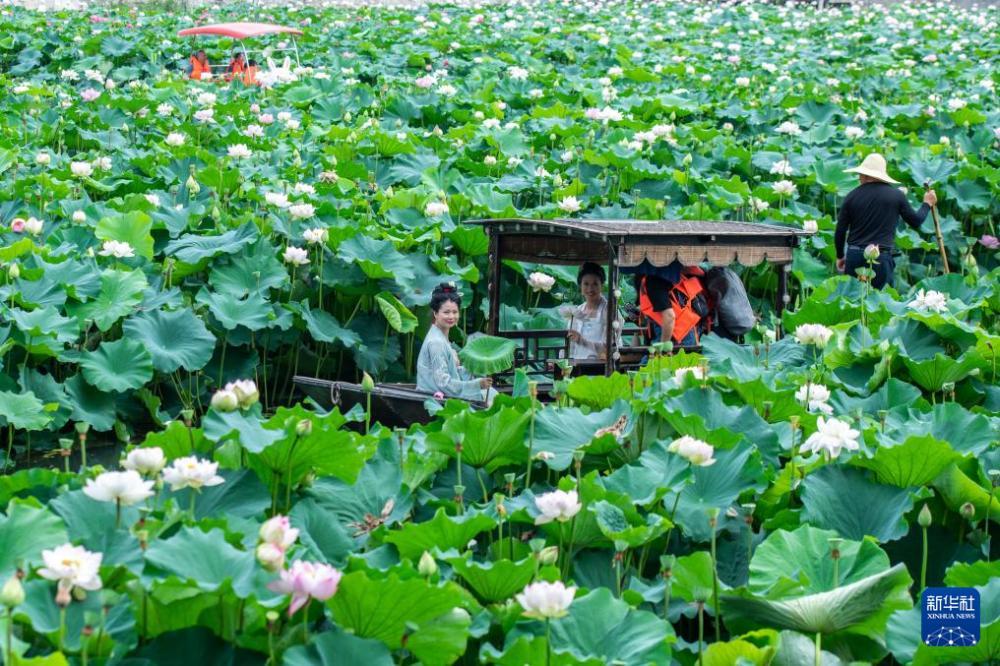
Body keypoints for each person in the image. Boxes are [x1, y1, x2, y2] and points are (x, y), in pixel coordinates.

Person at [835, 153, 938, 289]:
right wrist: (927, 204)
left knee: (854, 301)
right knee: (879, 304)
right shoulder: (896, 196)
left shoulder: (851, 196)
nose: (859, 178)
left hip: (855, 257)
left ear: (866, 176)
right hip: (880, 259)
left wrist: (840, 256)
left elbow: (840, 232)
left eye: (861, 174)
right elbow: (916, 221)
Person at [416, 283, 495, 403]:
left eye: (455, 312)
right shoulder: (436, 342)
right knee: (493, 398)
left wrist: (474, 368)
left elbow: (450, 372)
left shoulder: (440, 336)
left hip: (444, 392)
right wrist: (476, 384)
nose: (451, 316)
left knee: (492, 394)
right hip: (436, 396)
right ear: (435, 313)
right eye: (446, 312)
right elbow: (443, 383)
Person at [635, 263, 710, 347]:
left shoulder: (653, 281)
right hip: (689, 330)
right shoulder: (674, 275)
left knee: (653, 359)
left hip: (676, 335)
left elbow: (669, 317)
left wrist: (663, 347)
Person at [565, 262, 622, 360]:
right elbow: (570, 345)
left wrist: (582, 340)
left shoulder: (609, 310)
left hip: (601, 367)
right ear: (580, 286)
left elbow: (609, 347)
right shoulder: (577, 311)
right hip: (578, 366)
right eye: (586, 284)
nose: (590, 289)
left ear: (602, 286)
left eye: (595, 284)